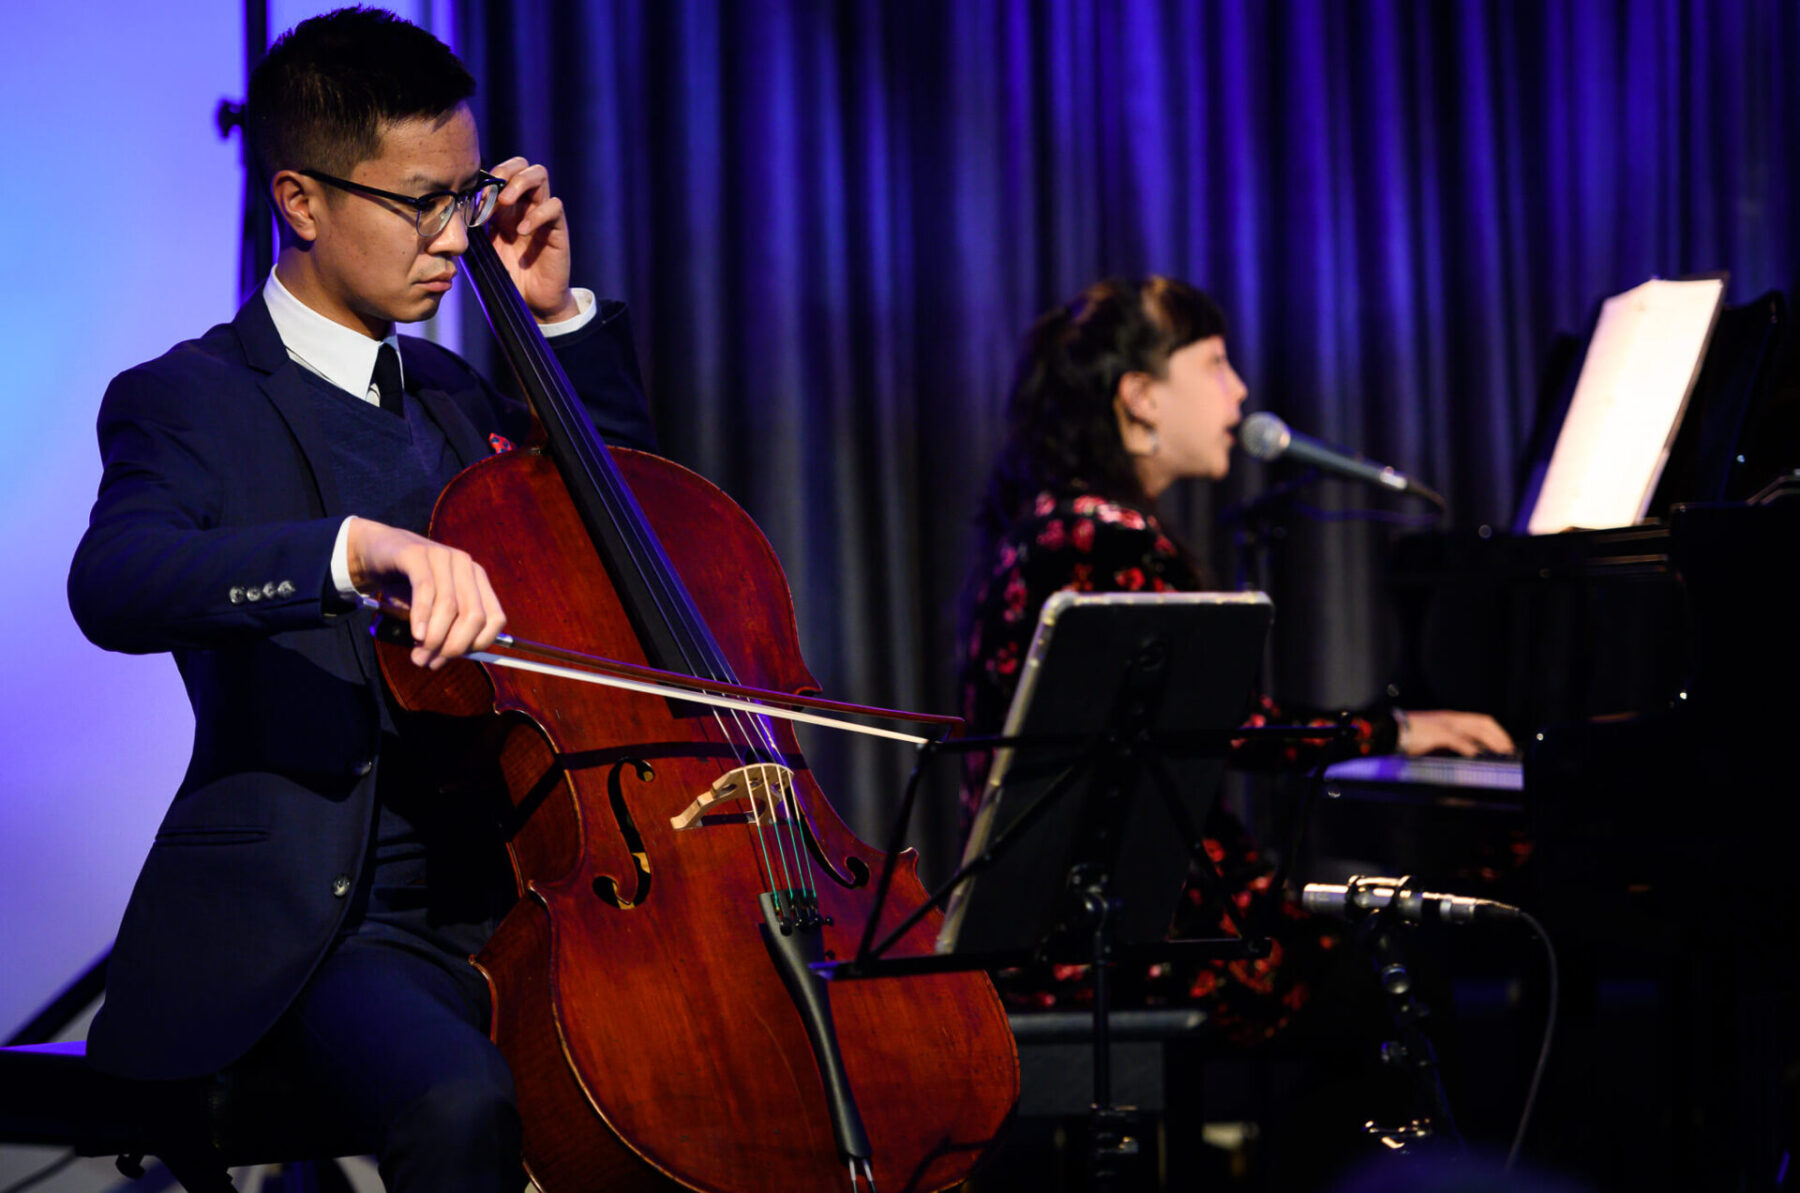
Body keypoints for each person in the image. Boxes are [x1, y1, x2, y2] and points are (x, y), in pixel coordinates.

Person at [66, 10, 653, 1191]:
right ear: (301, 199)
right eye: (422, 201)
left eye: (468, 195)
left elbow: (633, 542)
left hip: (527, 891)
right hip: (332, 922)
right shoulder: (190, 399)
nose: (457, 236)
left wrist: (556, 326)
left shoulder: (455, 392)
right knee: (460, 1099)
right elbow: (114, 581)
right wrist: (343, 550)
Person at [960, 275, 1513, 1035]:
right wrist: (1397, 731)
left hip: (1090, 919)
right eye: (1215, 364)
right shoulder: (1105, 540)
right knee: (1386, 973)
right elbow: (1232, 727)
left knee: (1374, 952)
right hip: (1108, 933)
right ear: (1142, 397)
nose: (1241, 390)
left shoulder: (1057, 525)